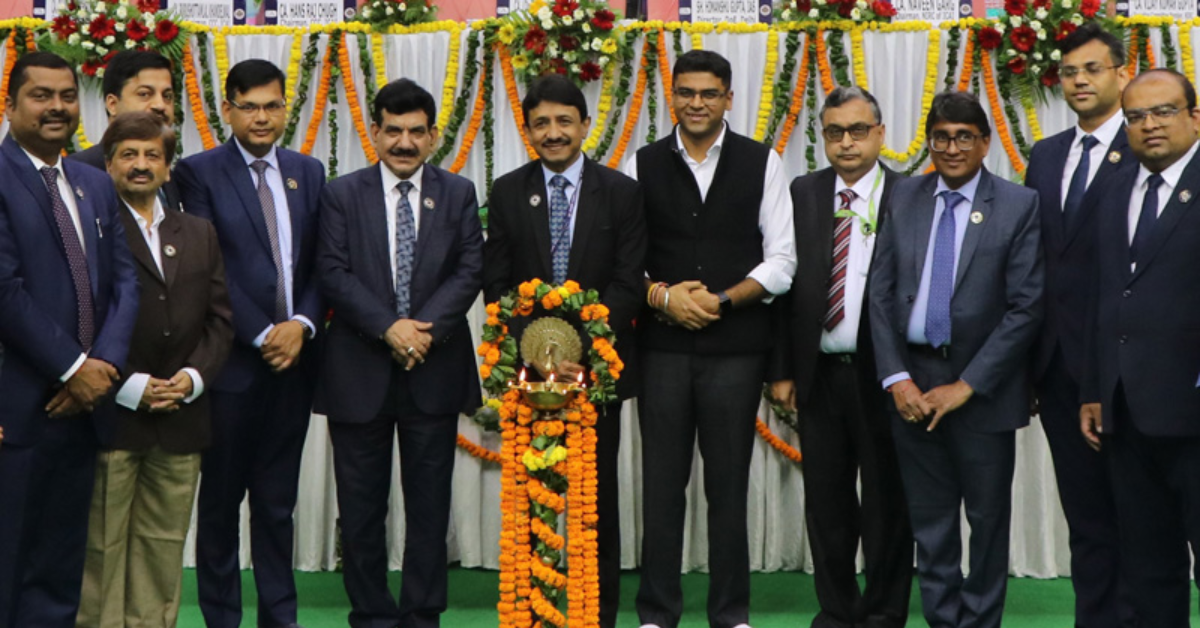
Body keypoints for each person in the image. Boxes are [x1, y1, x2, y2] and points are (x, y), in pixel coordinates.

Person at [622, 49, 796, 628]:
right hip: (661, 352)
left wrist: (719, 300)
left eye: (709, 93)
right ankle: (656, 613)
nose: (696, 103)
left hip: (736, 353)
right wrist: (662, 297)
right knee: (661, 486)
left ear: (728, 98)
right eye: (686, 92)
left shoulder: (762, 162)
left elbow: (783, 261)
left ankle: (730, 613)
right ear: (672, 96)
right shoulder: (640, 163)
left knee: (728, 487)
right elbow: (624, 259)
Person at [867, 90, 1043, 628]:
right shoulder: (904, 196)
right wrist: (896, 378)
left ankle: (981, 620)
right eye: (941, 137)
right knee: (931, 521)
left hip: (981, 390)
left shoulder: (1018, 204)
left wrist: (966, 385)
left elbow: (1026, 307)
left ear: (985, 143)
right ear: (929, 143)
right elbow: (880, 293)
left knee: (987, 521)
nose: (952, 148)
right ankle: (943, 619)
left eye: (964, 137)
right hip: (913, 386)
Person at [314, 77, 483, 628]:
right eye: (393, 131)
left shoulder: (457, 193)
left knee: (429, 508)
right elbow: (332, 271)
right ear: (375, 132)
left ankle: (421, 615)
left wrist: (421, 333)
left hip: (433, 369)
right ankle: (370, 614)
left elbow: (470, 270)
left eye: (415, 132)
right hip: (358, 372)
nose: (404, 143)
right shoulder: (342, 194)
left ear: (433, 135)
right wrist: (390, 328)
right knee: (361, 509)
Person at [484, 74, 647, 628]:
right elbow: (497, 284)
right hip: (528, 376)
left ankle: (598, 616)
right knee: (530, 496)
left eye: (563, 122)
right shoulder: (508, 191)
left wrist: (583, 350)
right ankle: (533, 613)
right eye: (541, 124)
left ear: (584, 125)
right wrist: (537, 352)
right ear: (527, 130)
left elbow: (627, 281)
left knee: (594, 502)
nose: (552, 133)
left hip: (596, 374)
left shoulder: (621, 192)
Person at [175, 59, 325, 628]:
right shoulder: (198, 173)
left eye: (273, 106)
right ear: (227, 110)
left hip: (295, 366)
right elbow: (208, 268)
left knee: (277, 505)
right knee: (219, 505)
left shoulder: (308, 171)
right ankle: (221, 619)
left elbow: (322, 262)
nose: (262, 118)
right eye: (250, 107)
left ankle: (280, 619)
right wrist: (265, 332)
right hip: (232, 367)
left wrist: (302, 324)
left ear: (287, 108)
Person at [76, 112, 233, 628]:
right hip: (111, 415)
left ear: (168, 167)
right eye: (129, 155)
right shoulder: (91, 229)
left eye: (152, 155)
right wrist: (129, 384)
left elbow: (220, 320)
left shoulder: (199, 232)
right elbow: (81, 318)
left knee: (161, 551)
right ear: (108, 164)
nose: (141, 165)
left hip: (181, 418)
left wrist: (193, 379)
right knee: (100, 551)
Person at [0, 52, 139, 628]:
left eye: (66, 95)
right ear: (10, 104)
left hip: (84, 410)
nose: (57, 107)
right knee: (9, 565)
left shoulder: (93, 183)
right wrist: (72, 368)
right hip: (19, 410)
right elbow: (5, 291)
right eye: (41, 95)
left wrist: (101, 367)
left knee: (60, 570)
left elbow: (125, 283)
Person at [768, 86, 911, 628]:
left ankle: (884, 610)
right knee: (826, 501)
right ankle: (837, 609)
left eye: (857, 130)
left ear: (880, 133)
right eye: (834, 132)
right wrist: (782, 368)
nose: (846, 142)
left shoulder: (909, 194)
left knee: (886, 501)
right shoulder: (803, 192)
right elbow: (784, 285)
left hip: (887, 375)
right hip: (819, 373)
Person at [1080, 68, 1200, 628]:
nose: (1150, 124)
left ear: (1195, 117)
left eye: (1164, 111)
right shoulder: (1113, 188)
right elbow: (1103, 295)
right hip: (1126, 415)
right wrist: (1094, 387)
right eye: (1136, 116)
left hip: (1194, 414)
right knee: (1149, 568)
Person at [1022, 23, 1132, 628]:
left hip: (1126, 367)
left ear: (1122, 72)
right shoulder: (1046, 154)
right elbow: (1035, 261)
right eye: (1069, 72)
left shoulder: (1146, 146)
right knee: (1086, 516)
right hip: (1058, 367)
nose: (1079, 81)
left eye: (1092, 69)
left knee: (1139, 515)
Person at [67, 50, 183, 212]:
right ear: (112, 104)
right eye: (144, 94)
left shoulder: (171, 173)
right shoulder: (76, 172)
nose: (160, 105)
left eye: (167, 96)